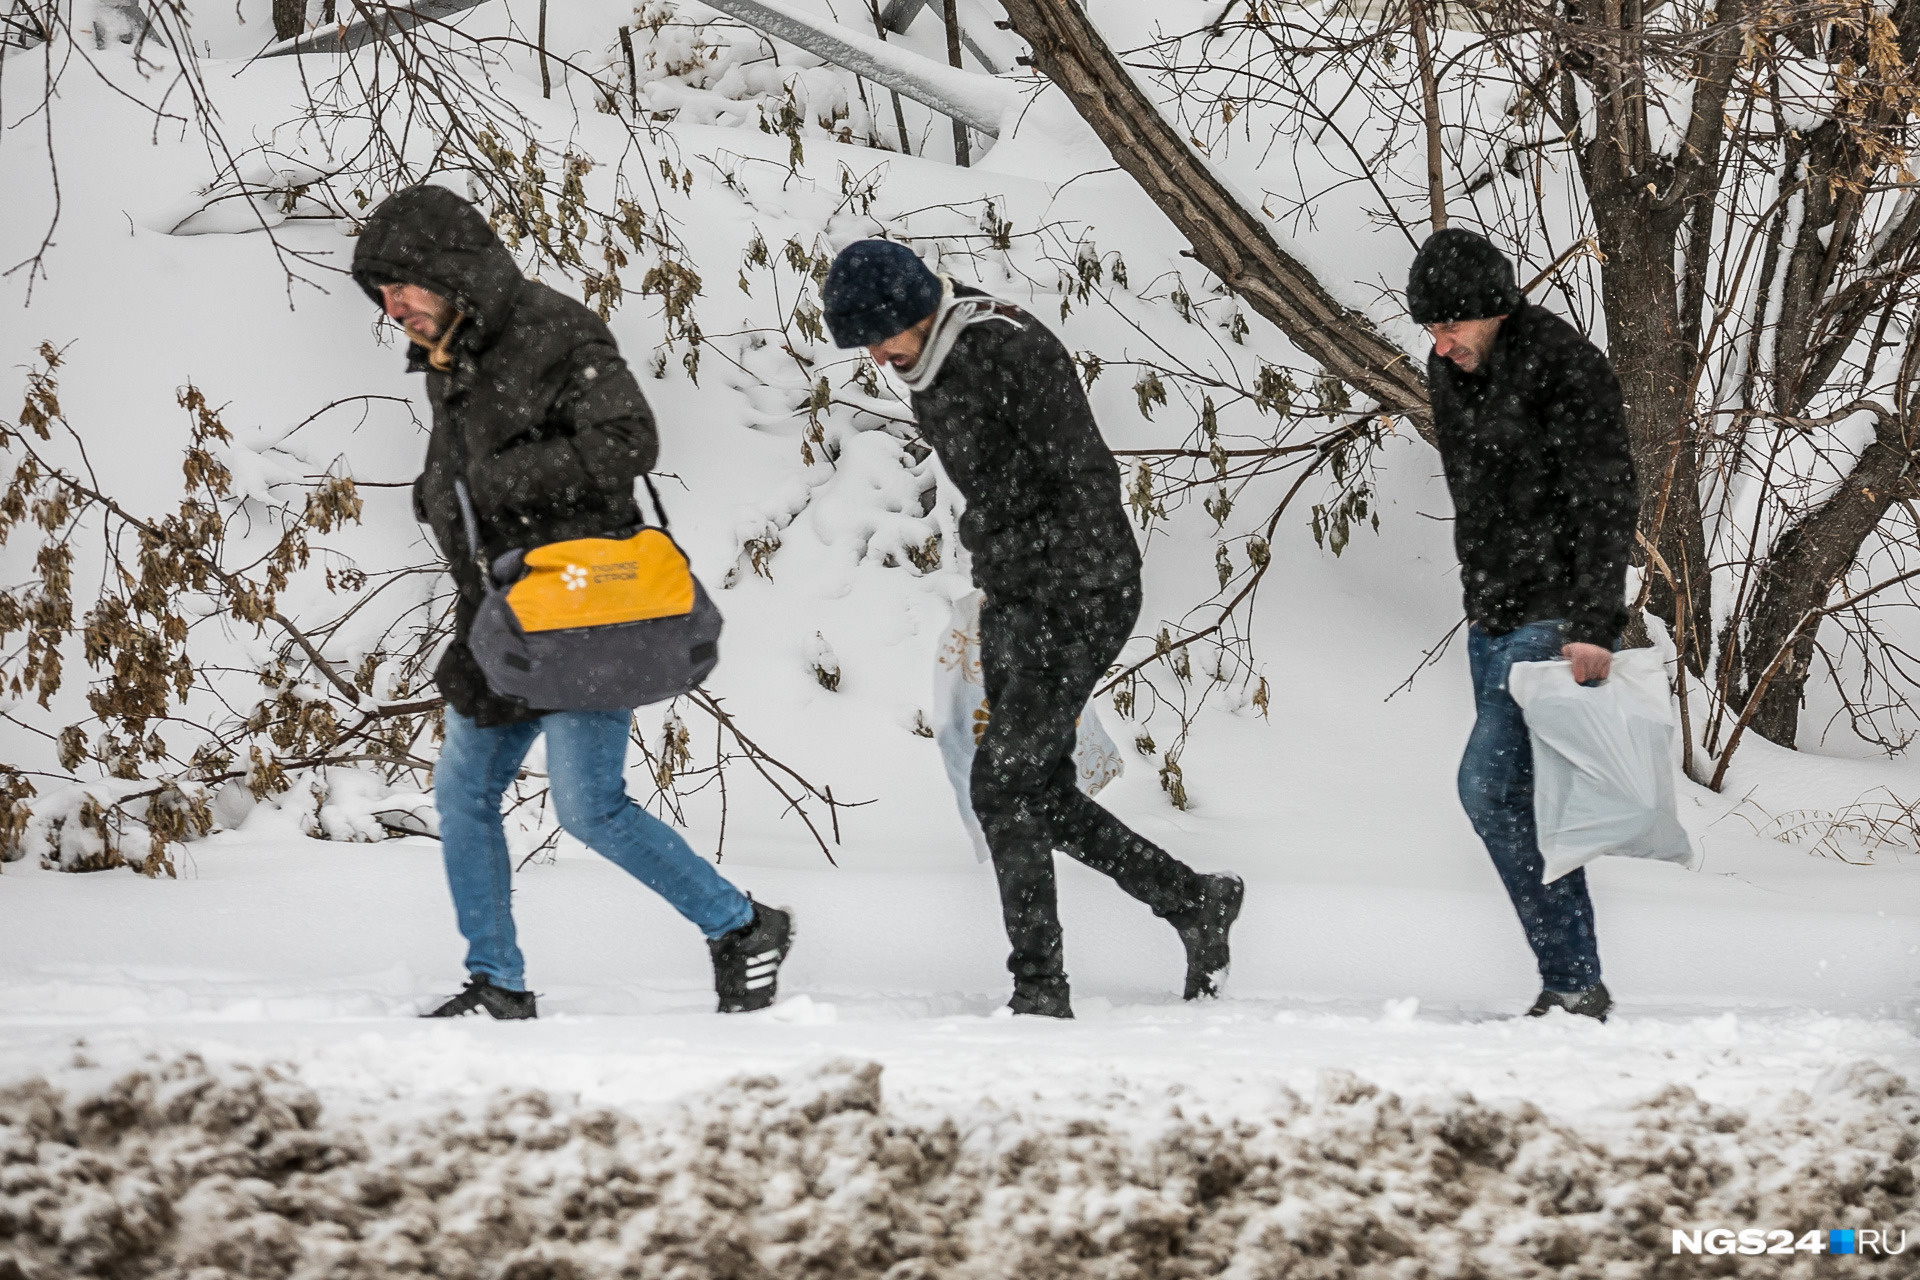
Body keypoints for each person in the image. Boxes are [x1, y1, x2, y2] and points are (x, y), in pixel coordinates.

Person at [351, 185, 791, 1019]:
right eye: (380, 292)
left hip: (582, 609)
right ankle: (498, 983)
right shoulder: (451, 356)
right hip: (500, 614)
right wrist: (437, 494)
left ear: (451, 271)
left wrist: (491, 484)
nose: (392, 305)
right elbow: (471, 468)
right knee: (462, 795)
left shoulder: (556, 332)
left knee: (590, 809)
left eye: (401, 283)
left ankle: (742, 926)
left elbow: (629, 441)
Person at [822, 239, 1243, 1019]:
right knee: (1033, 786)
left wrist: (1031, 570)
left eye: (879, 337)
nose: (877, 356)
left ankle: (1040, 990)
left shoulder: (1006, 348)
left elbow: (1079, 477)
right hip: (1018, 591)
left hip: (1082, 587)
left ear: (916, 309)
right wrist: (995, 582)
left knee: (1002, 781)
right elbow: (994, 495)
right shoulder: (932, 369)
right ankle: (1192, 900)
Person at [1409, 227, 1639, 1021]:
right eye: (1430, 330)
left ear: (1495, 310)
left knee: (1489, 788)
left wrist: (1594, 623)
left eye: (1452, 327)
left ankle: (1573, 978)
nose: (1441, 346)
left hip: (1553, 617)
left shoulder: (1567, 368)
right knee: (1520, 802)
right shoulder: (1451, 372)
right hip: (1492, 616)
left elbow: (1606, 498)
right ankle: (1575, 982)